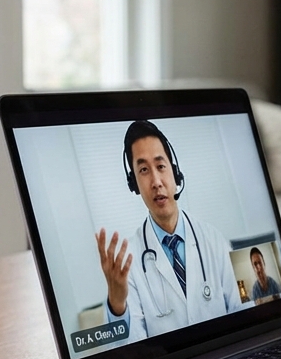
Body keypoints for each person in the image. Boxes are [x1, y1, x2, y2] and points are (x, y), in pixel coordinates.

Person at [96, 120, 241, 342]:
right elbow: (129, 356)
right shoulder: (128, 263)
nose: (155, 182)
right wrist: (117, 305)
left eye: (161, 166)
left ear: (175, 173)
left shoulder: (214, 240)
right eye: (143, 170)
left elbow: (245, 316)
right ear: (134, 184)